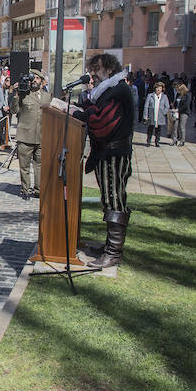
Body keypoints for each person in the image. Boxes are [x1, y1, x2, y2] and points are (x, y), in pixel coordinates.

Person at [74, 53, 135, 268]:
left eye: (96, 70)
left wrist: (85, 115)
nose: (92, 74)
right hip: (106, 154)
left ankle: (113, 253)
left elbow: (105, 123)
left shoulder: (118, 90)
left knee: (114, 199)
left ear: (108, 69)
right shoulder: (110, 90)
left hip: (114, 154)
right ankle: (110, 246)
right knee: (109, 199)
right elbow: (98, 113)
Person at [9, 70, 51, 198]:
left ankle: (38, 189)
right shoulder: (24, 94)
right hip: (25, 136)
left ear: (42, 81)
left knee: (39, 165)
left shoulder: (47, 96)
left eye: (38, 78)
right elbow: (13, 110)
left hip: (41, 136)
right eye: (33, 78)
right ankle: (25, 189)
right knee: (24, 166)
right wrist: (16, 95)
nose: (35, 80)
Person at [143, 81, 169, 147]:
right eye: (157, 88)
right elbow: (146, 106)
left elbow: (167, 106)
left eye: (160, 88)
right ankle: (148, 141)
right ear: (155, 88)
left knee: (158, 130)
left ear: (162, 89)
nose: (158, 89)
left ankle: (157, 141)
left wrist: (164, 112)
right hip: (151, 115)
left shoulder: (164, 96)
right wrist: (145, 116)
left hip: (160, 115)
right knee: (150, 129)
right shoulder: (150, 95)